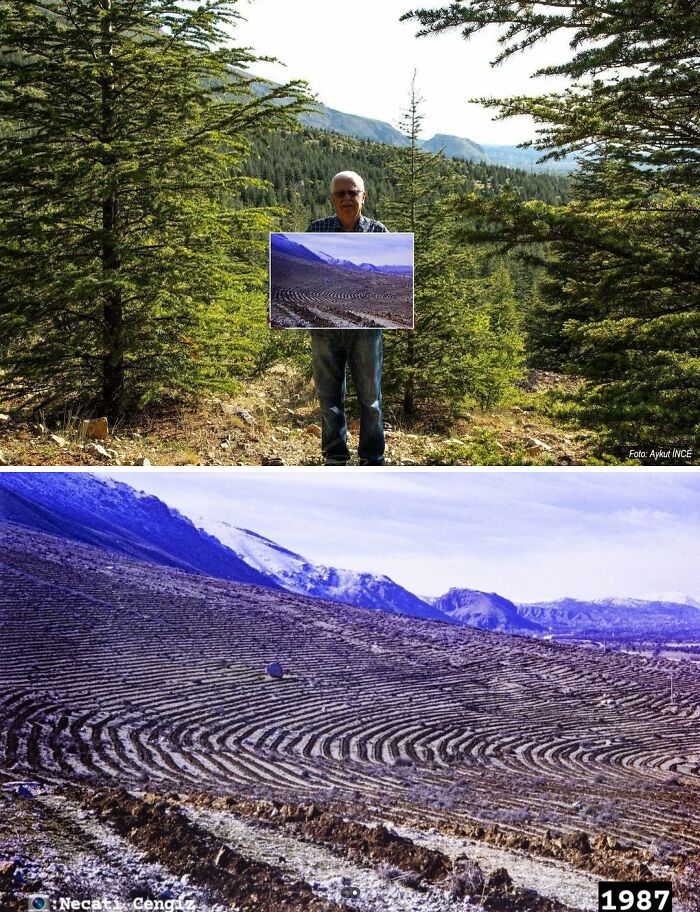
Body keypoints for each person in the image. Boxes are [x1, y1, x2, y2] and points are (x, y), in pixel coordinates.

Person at [307, 170, 387, 466]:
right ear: (332, 199)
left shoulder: (379, 233)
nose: (346, 199)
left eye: (352, 193)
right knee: (329, 399)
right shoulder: (317, 230)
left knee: (371, 399)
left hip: (366, 330)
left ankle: (372, 458)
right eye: (340, 194)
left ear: (363, 197)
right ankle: (335, 458)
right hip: (325, 328)